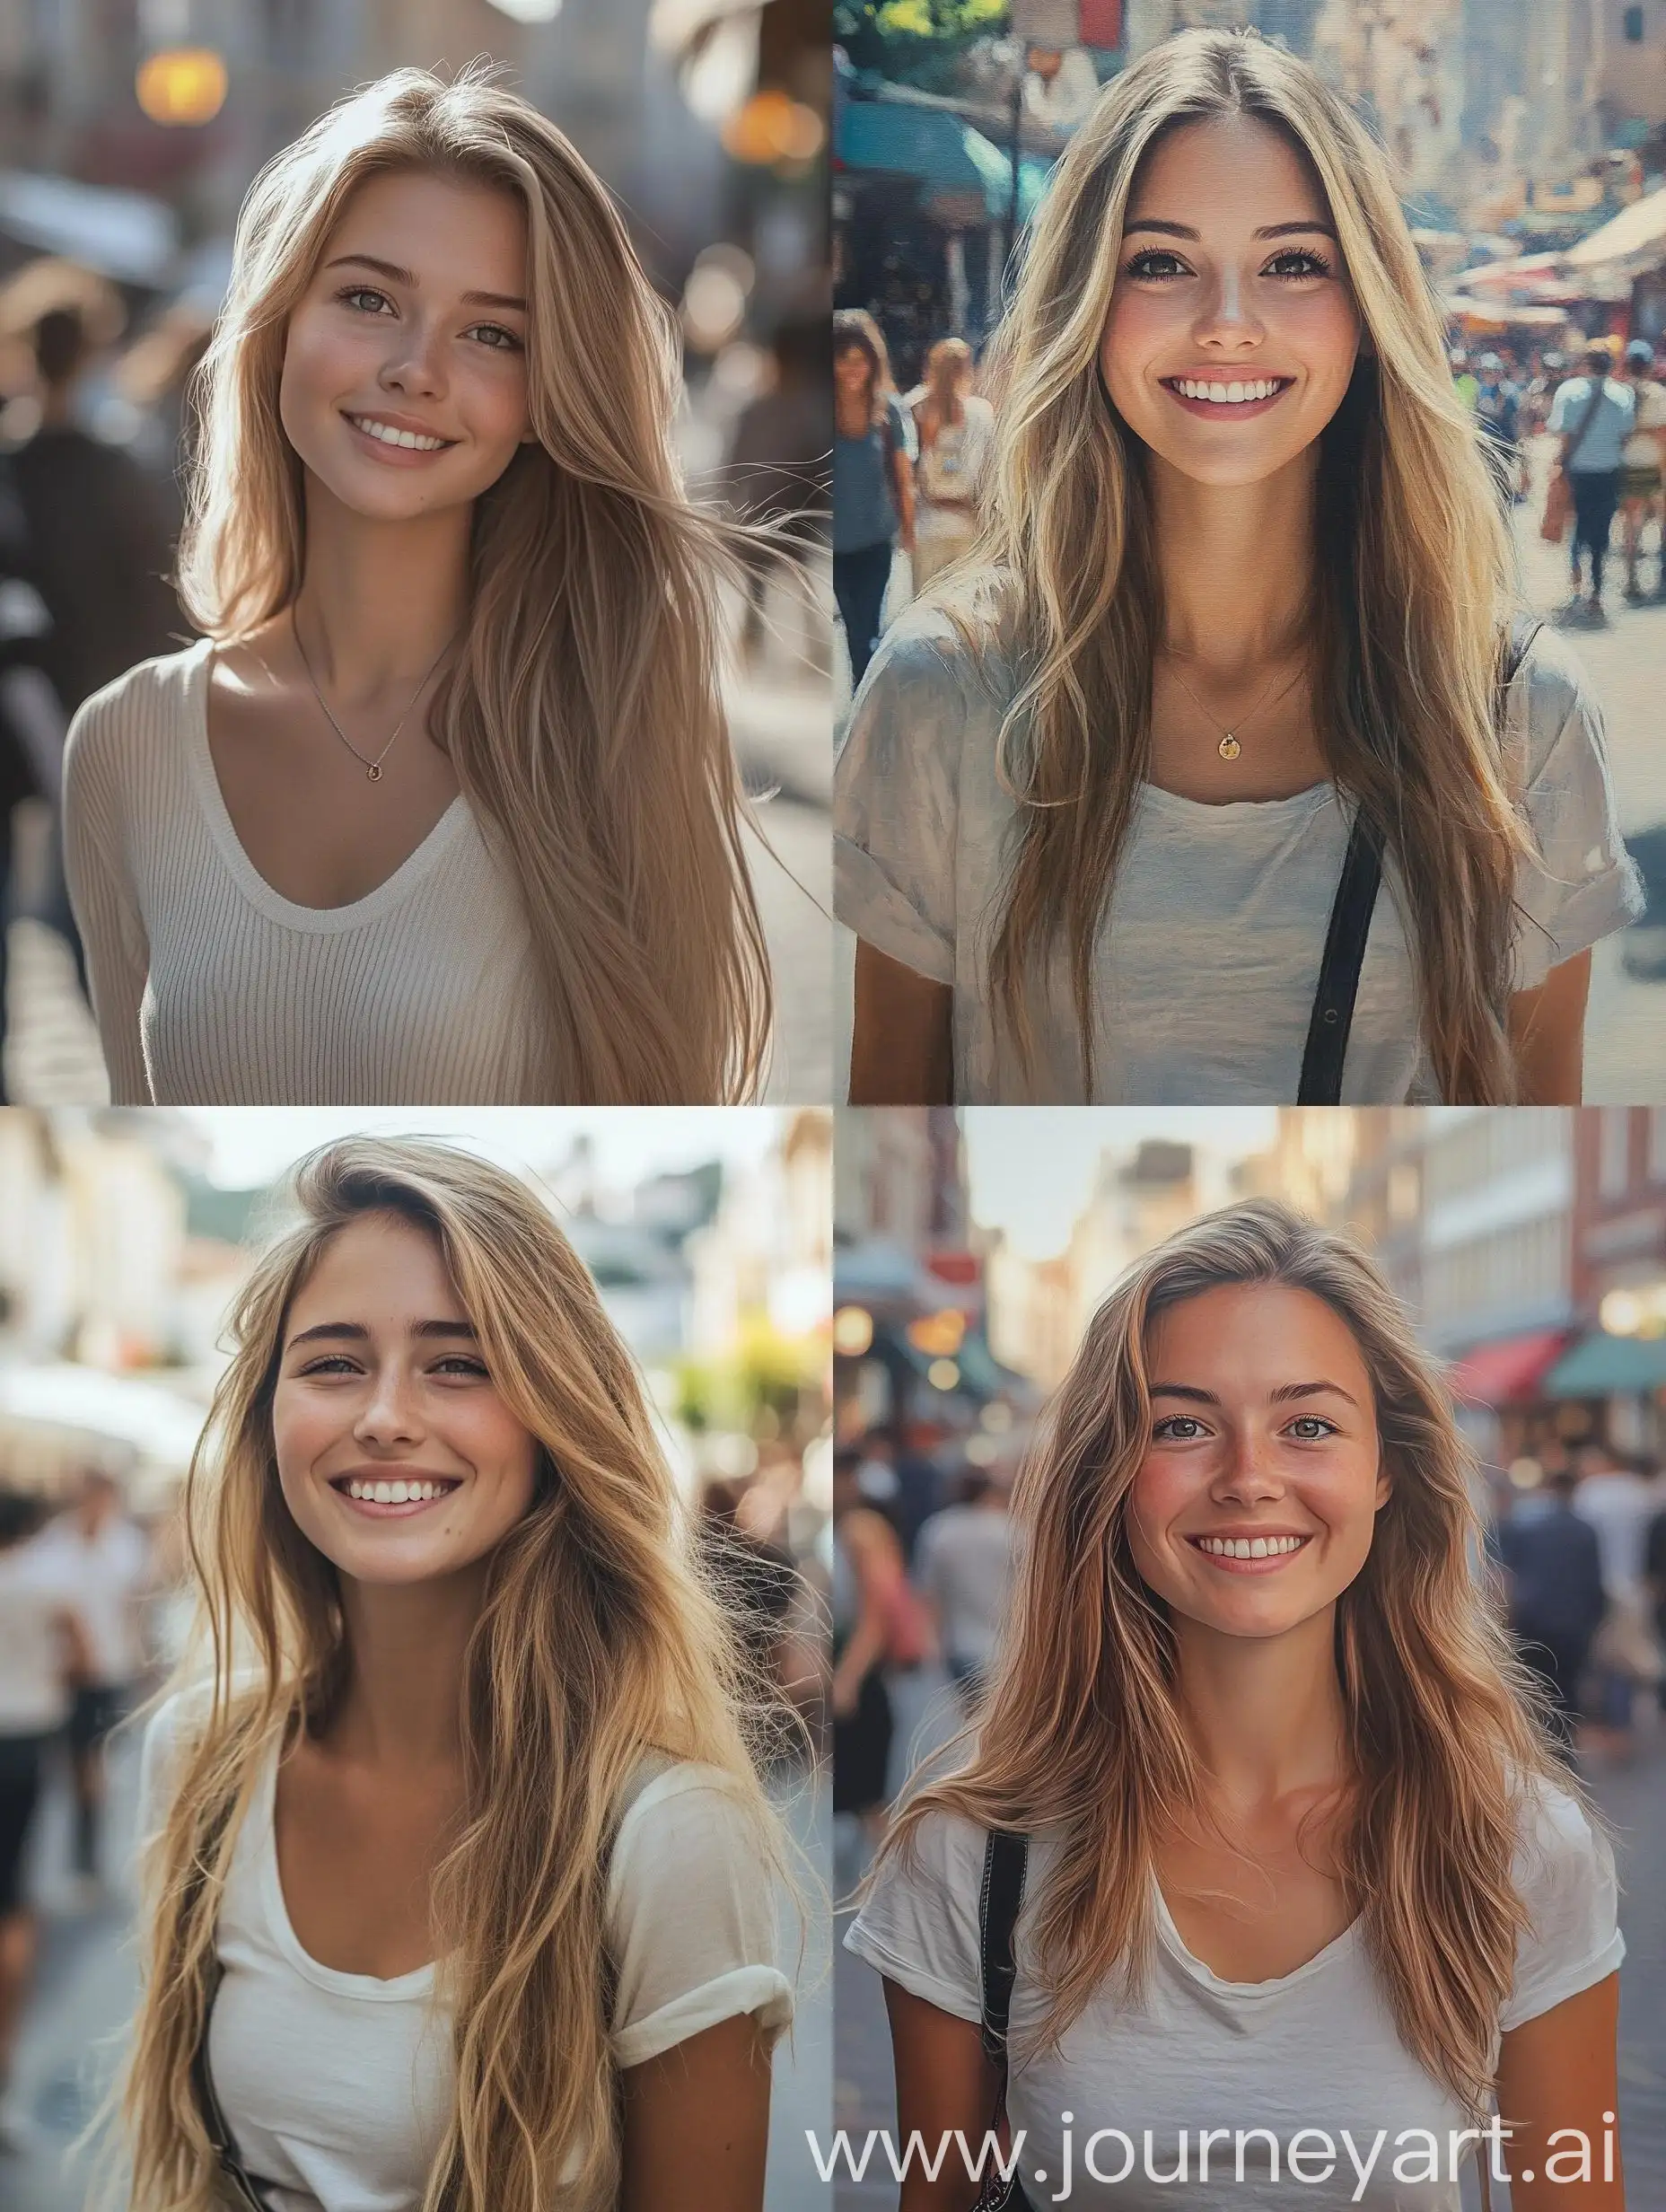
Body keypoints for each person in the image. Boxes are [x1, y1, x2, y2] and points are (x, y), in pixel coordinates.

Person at [835, 31, 1641, 1108]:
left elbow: (1541, 1112)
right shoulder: (938, 695)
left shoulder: (1516, 715)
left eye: (1291, 262)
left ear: (1365, 310)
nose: (1226, 324)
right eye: (1160, 262)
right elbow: (893, 1110)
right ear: (1087, 299)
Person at [845, 1200, 1627, 2212]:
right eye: (1180, 1425)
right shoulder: (972, 1850)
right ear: (1108, 1474)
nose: (1249, 1477)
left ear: (1384, 1468)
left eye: (1306, 1425)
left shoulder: (1519, 1844)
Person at [63, 68, 771, 1109]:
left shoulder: (618, 720)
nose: (416, 368)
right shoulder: (122, 747)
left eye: (491, 332)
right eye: (367, 298)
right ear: (278, 327)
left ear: (542, 393)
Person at [113, 1138, 799, 2212]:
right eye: (334, 1361)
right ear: (266, 1415)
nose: (385, 1414)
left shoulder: (663, 1828)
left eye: (459, 1362)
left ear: (554, 1417)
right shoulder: (199, 1758)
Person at [0, 1488, 92, 2149]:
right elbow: (84, 1658)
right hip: (25, 1745)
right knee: (14, 1907)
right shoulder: (43, 1583)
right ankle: (4, 2067)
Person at [31, 1468, 153, 1896]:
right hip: (59, 1678)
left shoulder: (125, 1546)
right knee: (73, 1767)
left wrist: (140, 1663)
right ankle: (76, 1850)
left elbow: (135, 1608)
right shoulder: (54, 1543)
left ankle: (88, 1854)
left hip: (108, 1673)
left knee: (91, 1765)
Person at [1492, 1468, 1607, 1755]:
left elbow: (1506, 1576)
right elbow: (1594, 1582)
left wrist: (1504, 1619)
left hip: (1533, 1619)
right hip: (1573, 1622)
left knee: (1536, 1686)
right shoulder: (1585, 1529)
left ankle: (1542, 1748)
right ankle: (1565, 1748)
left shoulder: (1526, 1526)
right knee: (1568, 1687)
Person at [833, 308, 915, 690]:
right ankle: (861, 687)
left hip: (875, 540)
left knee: (867, 624)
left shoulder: (889, 412)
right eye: (843, 359)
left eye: (860, 360)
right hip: (832, 545)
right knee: (852, 626)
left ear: (872, 361)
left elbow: (902, 476)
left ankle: (865, 693)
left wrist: (910, 532)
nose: (852, 369)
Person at [1569, 1441, 1664, 1756]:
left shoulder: (1590, 1493)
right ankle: (1622, 1725)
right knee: (1629, 1659)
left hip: (1599, 1587)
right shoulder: (1641, 1493)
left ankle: (1612, 1726)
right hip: (1636, 1588)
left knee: (1606, 1660)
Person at [831, 1446, 904, 1863]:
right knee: (866, 1804)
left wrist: (848, 1679)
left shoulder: (859, 1528)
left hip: (861, 1681)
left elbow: (877, 1614)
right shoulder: (855, 1527)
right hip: (861, 1677)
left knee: (870, 1804)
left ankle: (891, 1897)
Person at [912, 1463, 1015, 1710]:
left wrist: (932, 1642)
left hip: (960, 1644)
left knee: (970, 1720)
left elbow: (929, 1594)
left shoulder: (938, 1530)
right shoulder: (1009, 1530)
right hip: (1007, 1643)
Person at [1547, 342, 1635, 628]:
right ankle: (1596, 591)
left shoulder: (1570, 391)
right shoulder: (1623, 394)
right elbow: (1625, 435)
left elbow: (1564, 436)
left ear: (1585, 363)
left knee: (1577, 529)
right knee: (1601, 532)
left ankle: (1576, 588)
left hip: (1578, 471)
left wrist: (1560, 464)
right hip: (1609, 471)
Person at [908, 338, 996, 591]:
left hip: (928, 526)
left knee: (926, 611)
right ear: (968, 370)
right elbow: (989, 472)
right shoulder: (981, 412)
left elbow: (908, 473)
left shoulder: (915, 407)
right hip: (969, 525)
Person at [1617, 338, 1666, 602]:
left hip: (1625, 466)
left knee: (1631, 525)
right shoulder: (1658, 394)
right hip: (1653, 465)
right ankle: (1662, 579)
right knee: (1662, 524)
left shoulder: (1619, 392)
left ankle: (1631, 579)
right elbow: (1663, 435)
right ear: (1648, 366)